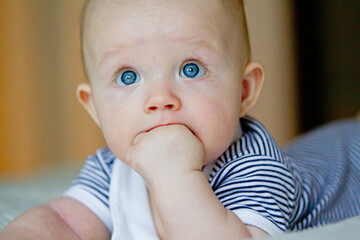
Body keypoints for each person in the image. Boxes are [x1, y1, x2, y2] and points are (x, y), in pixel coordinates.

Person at [1, 0, 359, 239]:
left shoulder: (255, 168)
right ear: (94, 107)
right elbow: (66, 222)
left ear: (244, 91)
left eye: (191, 69)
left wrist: (173, 175)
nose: (160, 99)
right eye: (128, 76)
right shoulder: (111, 168)